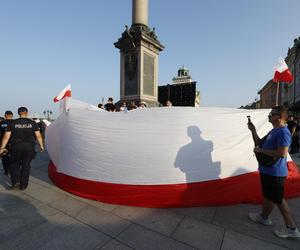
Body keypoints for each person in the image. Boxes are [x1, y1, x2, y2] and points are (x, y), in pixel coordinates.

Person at [247, 106, 300, 238]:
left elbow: (282, 153)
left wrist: (261, 151)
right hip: (267, 170)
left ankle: (292, 229)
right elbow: (259, 142)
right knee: (268, 196)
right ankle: (263, 218)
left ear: (280, 117)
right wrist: (253, 130)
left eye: (272, 114)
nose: (269, 116)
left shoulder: (283, 132)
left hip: (275, 173)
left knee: (278, 200)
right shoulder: (274, 131)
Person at [0, 107, 44, 190]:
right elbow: (38, 135)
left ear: (18, 113)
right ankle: (23, 184)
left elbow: (6, 137)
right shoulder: (32, 123)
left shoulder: (13, 123)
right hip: (29, 147)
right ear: (26, 113)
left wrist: (2, 148)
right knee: (26, 165)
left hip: (16, 147)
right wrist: (41, 145)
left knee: (14, 164)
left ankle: (15, 181)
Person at [0, 111, 13, 175]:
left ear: (5, 115)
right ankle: (12, 169)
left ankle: (6, 170)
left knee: (4, 158)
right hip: (13, 143)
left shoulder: (1, 123)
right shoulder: (15, 123)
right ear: (12, 115)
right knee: (13, 157)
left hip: (3, 143)